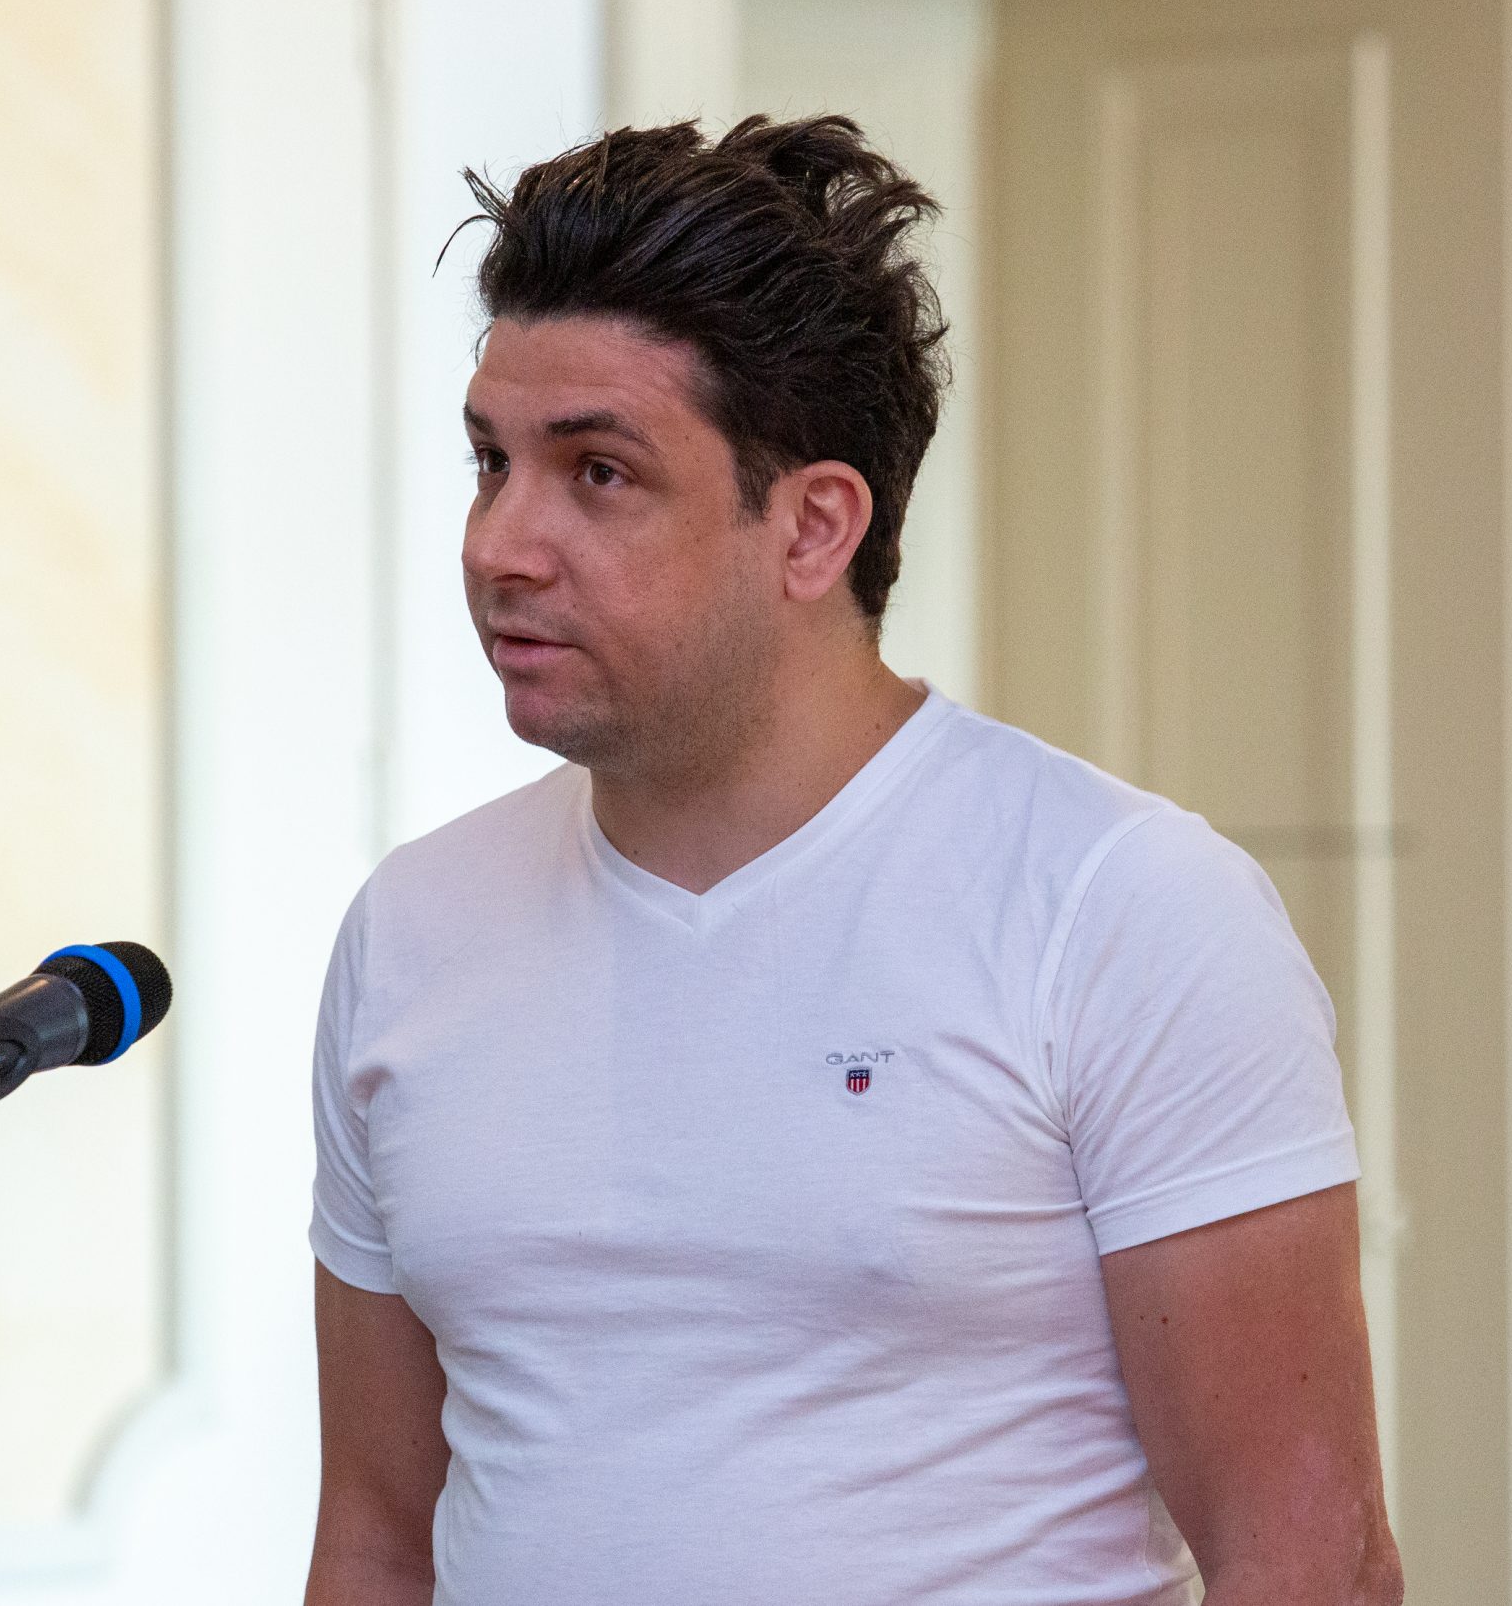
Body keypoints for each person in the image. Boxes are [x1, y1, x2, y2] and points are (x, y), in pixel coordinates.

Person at [305, 115, 1400, 1606]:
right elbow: (376, 1537)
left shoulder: (1124, 907)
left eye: (598, 473)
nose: (502, 542)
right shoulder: (413, 928)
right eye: (491, 462)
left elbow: (1311, 1560)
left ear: (815, 526)